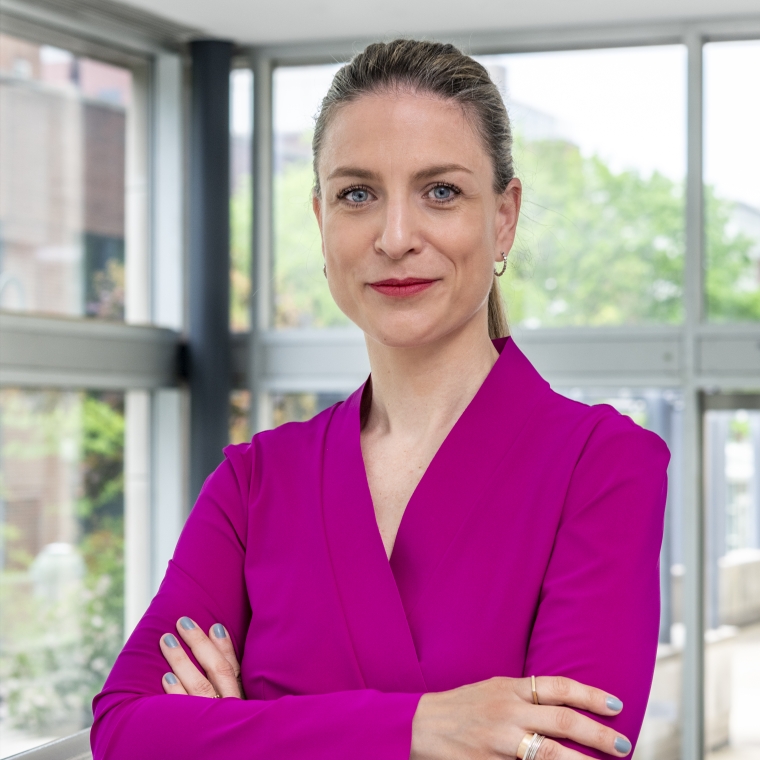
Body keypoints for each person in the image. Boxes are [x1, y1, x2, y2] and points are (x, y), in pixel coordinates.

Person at [91, 39, 669, 760]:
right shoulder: (252, 483)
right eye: (357, 194)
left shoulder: (604, 467)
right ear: (322, 222)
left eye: (441, 192)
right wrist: (420, 729)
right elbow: (127, 730)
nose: (396, 238)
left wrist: (241, 734)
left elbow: (572, 754)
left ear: (505, 217)